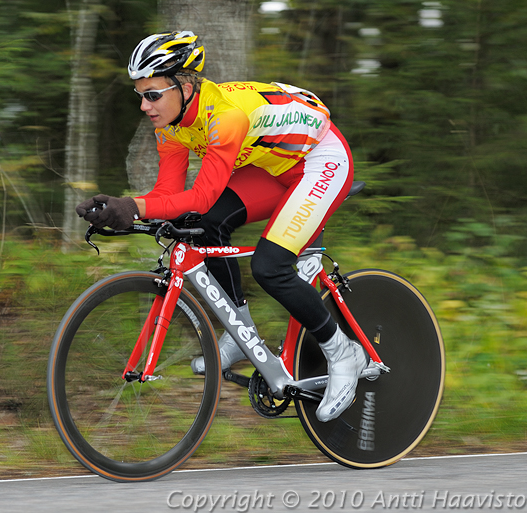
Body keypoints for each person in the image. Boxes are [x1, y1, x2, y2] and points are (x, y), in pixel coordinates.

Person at [75, 31, 367, 423]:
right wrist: (122, 209)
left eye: (153, 95)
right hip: (273, 167)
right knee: (203, 225)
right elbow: (167, 194)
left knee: (270, 266)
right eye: (140, 95)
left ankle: (344, 352)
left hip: (321, 160)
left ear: (185, 86)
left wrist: (133, 206)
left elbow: (201, 195)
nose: (144, 106)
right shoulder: (171, 124)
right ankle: (240, 331)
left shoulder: (225, 117)